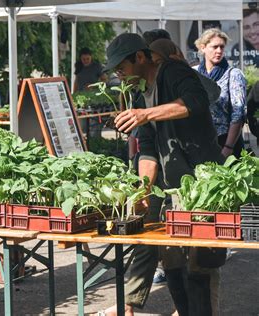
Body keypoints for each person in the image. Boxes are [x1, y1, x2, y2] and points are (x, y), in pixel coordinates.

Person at [103, 33, 225, 316]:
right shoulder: (137, 93)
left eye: (122, 68)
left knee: (201, 264)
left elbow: (194, 102)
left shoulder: (174, 71)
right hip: (170, 188)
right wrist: (143, 191)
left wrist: (147, 114)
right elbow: (147, 149)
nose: (120, 76)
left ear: (141, 57)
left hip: (201, 184)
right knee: (172, 263)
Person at [195, 28, 247, 158]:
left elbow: (238, 113)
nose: (219, 51)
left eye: (222, 47)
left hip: (226, 140)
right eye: (214, 47)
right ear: (203, 48)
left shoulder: (233, 74)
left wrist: (228, 147)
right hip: (200, 141)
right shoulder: (194, 73)